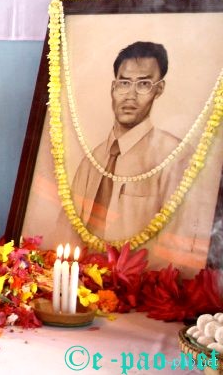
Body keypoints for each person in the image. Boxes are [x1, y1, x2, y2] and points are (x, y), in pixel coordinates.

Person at [71, 41, 189, 241]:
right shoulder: (91, 162)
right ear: (113, 87)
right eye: (124, 83)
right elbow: (65, 231)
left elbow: (176, 240)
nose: (130, 96)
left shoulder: (175, 157)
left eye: (143, 84)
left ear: (159, 89)